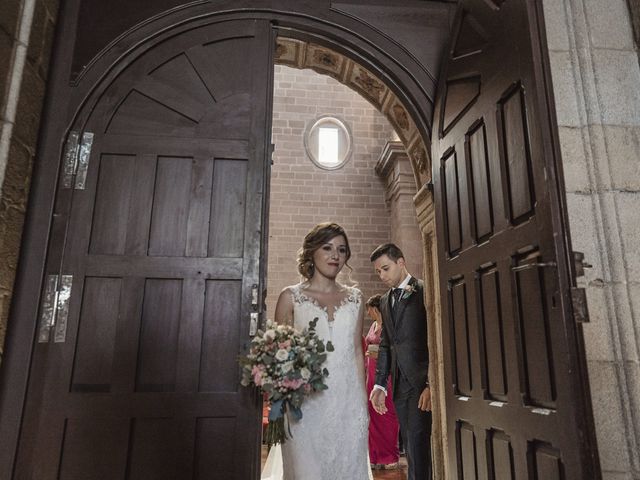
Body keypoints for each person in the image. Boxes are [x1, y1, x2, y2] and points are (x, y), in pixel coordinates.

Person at [269, 222, 372, 480]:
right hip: (305, 406)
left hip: (348, 404)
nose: (335, 255)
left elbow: (357, 352)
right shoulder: (290, 297)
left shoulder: (356, 298)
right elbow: (277, 353)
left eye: (341, 249)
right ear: (311, 252)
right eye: (327, 248)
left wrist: (362, 403)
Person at [369, 243, 432, 480]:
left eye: (385, 268)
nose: (382, 275)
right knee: (411, 446)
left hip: (420, 385)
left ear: (401, 262)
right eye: (378, 272)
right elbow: (386, 345)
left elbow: (435, 341)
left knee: (420, 448)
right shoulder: (385, 301)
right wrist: (380, 385)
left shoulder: (424, 291)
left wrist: (431, 384)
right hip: (399, 386)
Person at [364, 294, 400, 470]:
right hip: (371, 374)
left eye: (369, 309)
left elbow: (394, 350)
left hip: (386, 375)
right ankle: (375, 456)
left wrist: (376, 352)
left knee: (387, 416)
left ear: (376, 308)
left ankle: (390, 457)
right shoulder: (373, 325)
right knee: (373, 417)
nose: (368, 313)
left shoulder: (389, 325)